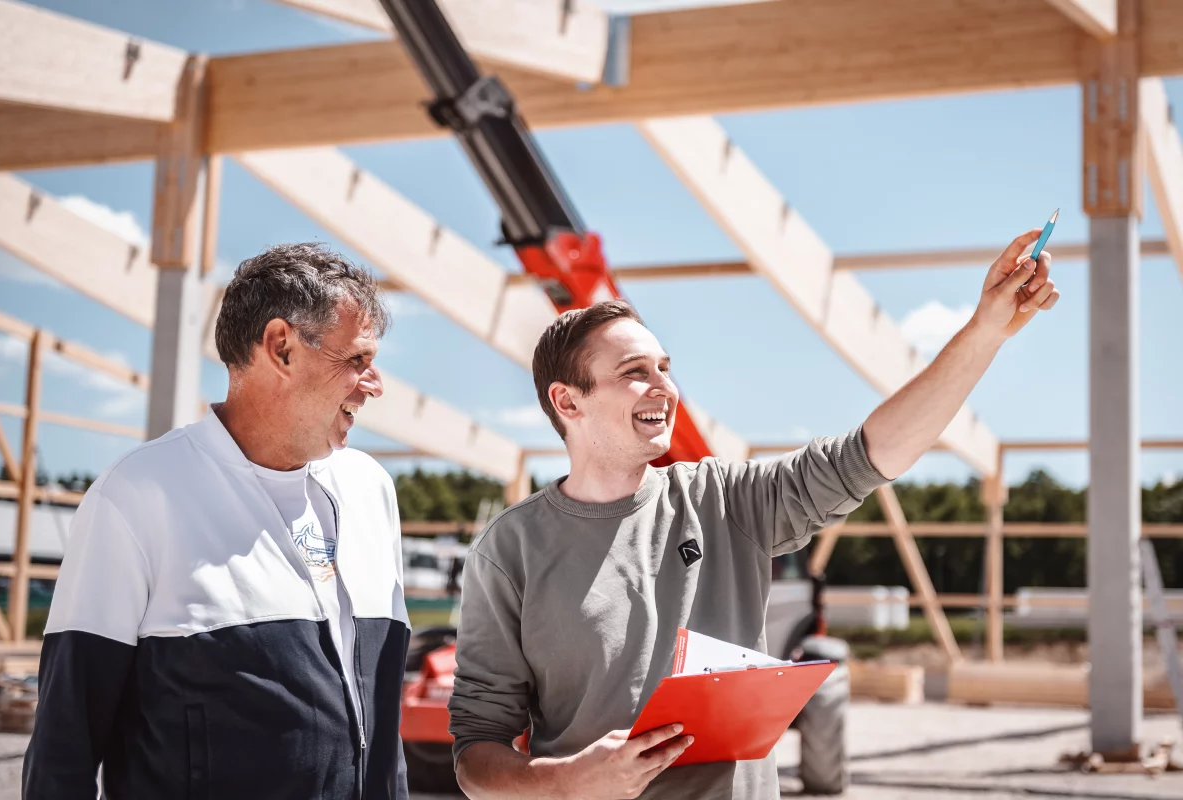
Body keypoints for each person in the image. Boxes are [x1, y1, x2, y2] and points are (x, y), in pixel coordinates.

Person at [448, 231, 1060, 799]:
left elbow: (873, 453)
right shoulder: (511, 551)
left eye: (665, 367)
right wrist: (568, 780)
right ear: (567, 400)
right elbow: (477, 755)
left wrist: (984, 331)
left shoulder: (725, 503)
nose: (664, 386)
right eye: (635, 373)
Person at [23, 244, 411, 800]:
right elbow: (65, 744)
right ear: (281, 347)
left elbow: (382, 721)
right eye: (356, 360)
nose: (372, 384)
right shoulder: (137, 497)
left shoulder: (372, 492)